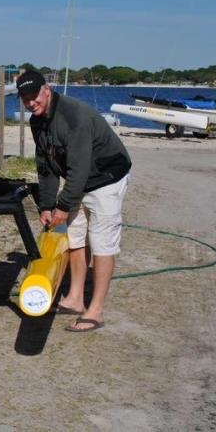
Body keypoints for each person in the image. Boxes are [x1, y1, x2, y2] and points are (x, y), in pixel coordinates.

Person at [18, 70, 132, 333]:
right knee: (75, 237)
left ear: (47, 89)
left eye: (34, 95)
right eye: (25, 98)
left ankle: (96, 311)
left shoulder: (74, 117)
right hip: (79, 181)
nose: (30, 102)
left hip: (107, 177)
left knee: (101, 241)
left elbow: (78, 169)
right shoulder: (37, 121)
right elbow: (45, 164)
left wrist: (63, 205)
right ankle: (75, 299)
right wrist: (47, 205)